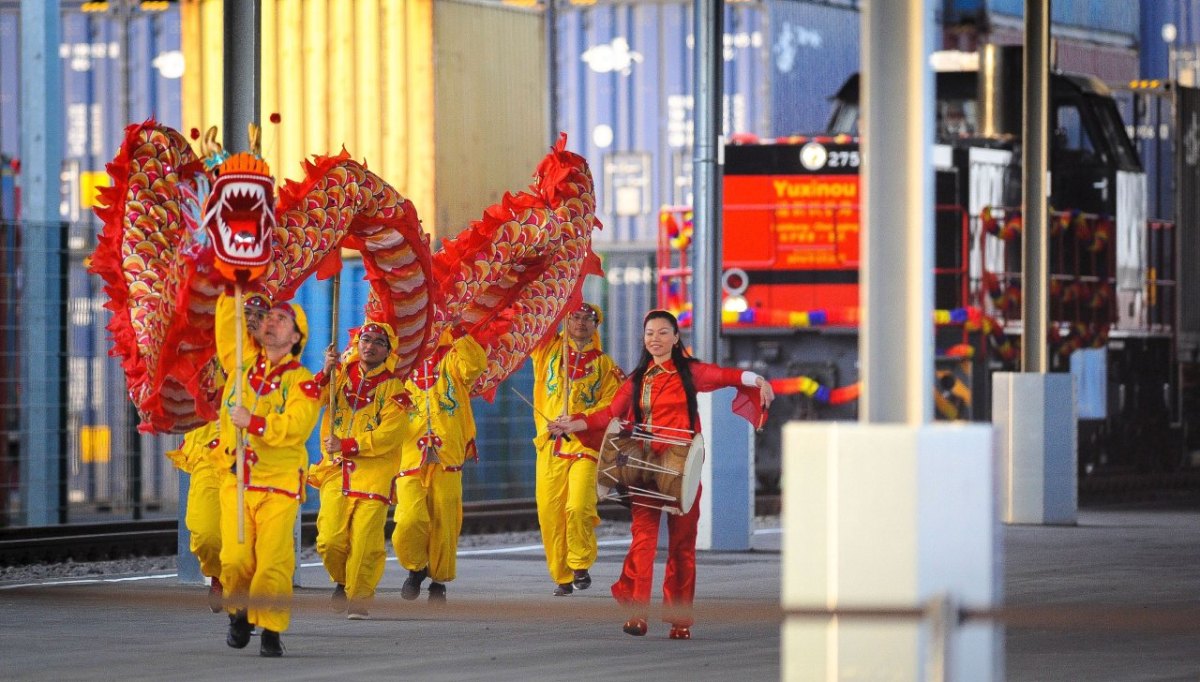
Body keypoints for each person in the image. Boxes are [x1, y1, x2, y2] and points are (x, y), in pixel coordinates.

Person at [549, 309, 774, 640]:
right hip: (644, 467)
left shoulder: (691, 373)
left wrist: (758, 380)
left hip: (681, 468)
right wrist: (574, 422)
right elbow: (609, 415)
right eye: (650, 333)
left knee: (682, 545)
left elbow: (726, 375)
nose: (655, 338)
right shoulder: (637, 380)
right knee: (643, 540)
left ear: (675, 337)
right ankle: (638, 614)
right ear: (644, 339)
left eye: (663, 332)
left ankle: (679, 619)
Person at [218, 301, 321, 657]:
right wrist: (233, 284)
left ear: (296, 337)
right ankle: (240, 611)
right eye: (268, 318)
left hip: (278, 484)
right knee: (233, 560)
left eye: (282, 320)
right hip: (238, 480)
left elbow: (296, 427)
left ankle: (272, 630)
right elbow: (226, 321)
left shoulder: (303, 382)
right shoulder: (240, 367)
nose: (271, 323)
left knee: (273, 564)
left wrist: (255, 424)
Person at [165, 291, 270, 613]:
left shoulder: (278, 362)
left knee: (251, 541)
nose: (250, 320)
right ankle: (217, 575)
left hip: (254, 461)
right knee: (206, 532)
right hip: (209, 456)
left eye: (258, 315)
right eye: (245, 314)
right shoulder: (205, 353)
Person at [308, 320, 410, 620]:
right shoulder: (337, 377)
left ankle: (360, 597)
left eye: (379, 342)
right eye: (366, 339)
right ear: (358, 343)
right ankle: (341, 580)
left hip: (374, 475)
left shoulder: (395, 389)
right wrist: (325, 373)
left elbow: (391, 434)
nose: (371, 345)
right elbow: (309, 403)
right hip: (334, 471)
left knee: (366, 541)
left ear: (387, 351)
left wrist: (348, 444)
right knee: (329, 539)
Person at [529, 303, 623, 596]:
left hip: (586, 445)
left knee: (579, 505)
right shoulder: (547, 353)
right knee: (550, 513)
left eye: (588, 319)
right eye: (575, 317)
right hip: (550, 447)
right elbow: (540, 322)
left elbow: (612, 406)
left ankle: (580, 562)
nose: (581, 323)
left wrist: (579, 420)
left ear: (597, 325)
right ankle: (562, 576)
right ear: (565, 321)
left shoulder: (606, 366)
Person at [390, 323, 487, 603]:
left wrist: (456, 330)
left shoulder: (453, 359)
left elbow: (476, 365)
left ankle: (438, 579)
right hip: (409, 454)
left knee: (445, 519)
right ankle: (416, 568)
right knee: (409, 519)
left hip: (448, 453)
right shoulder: (399, 363)